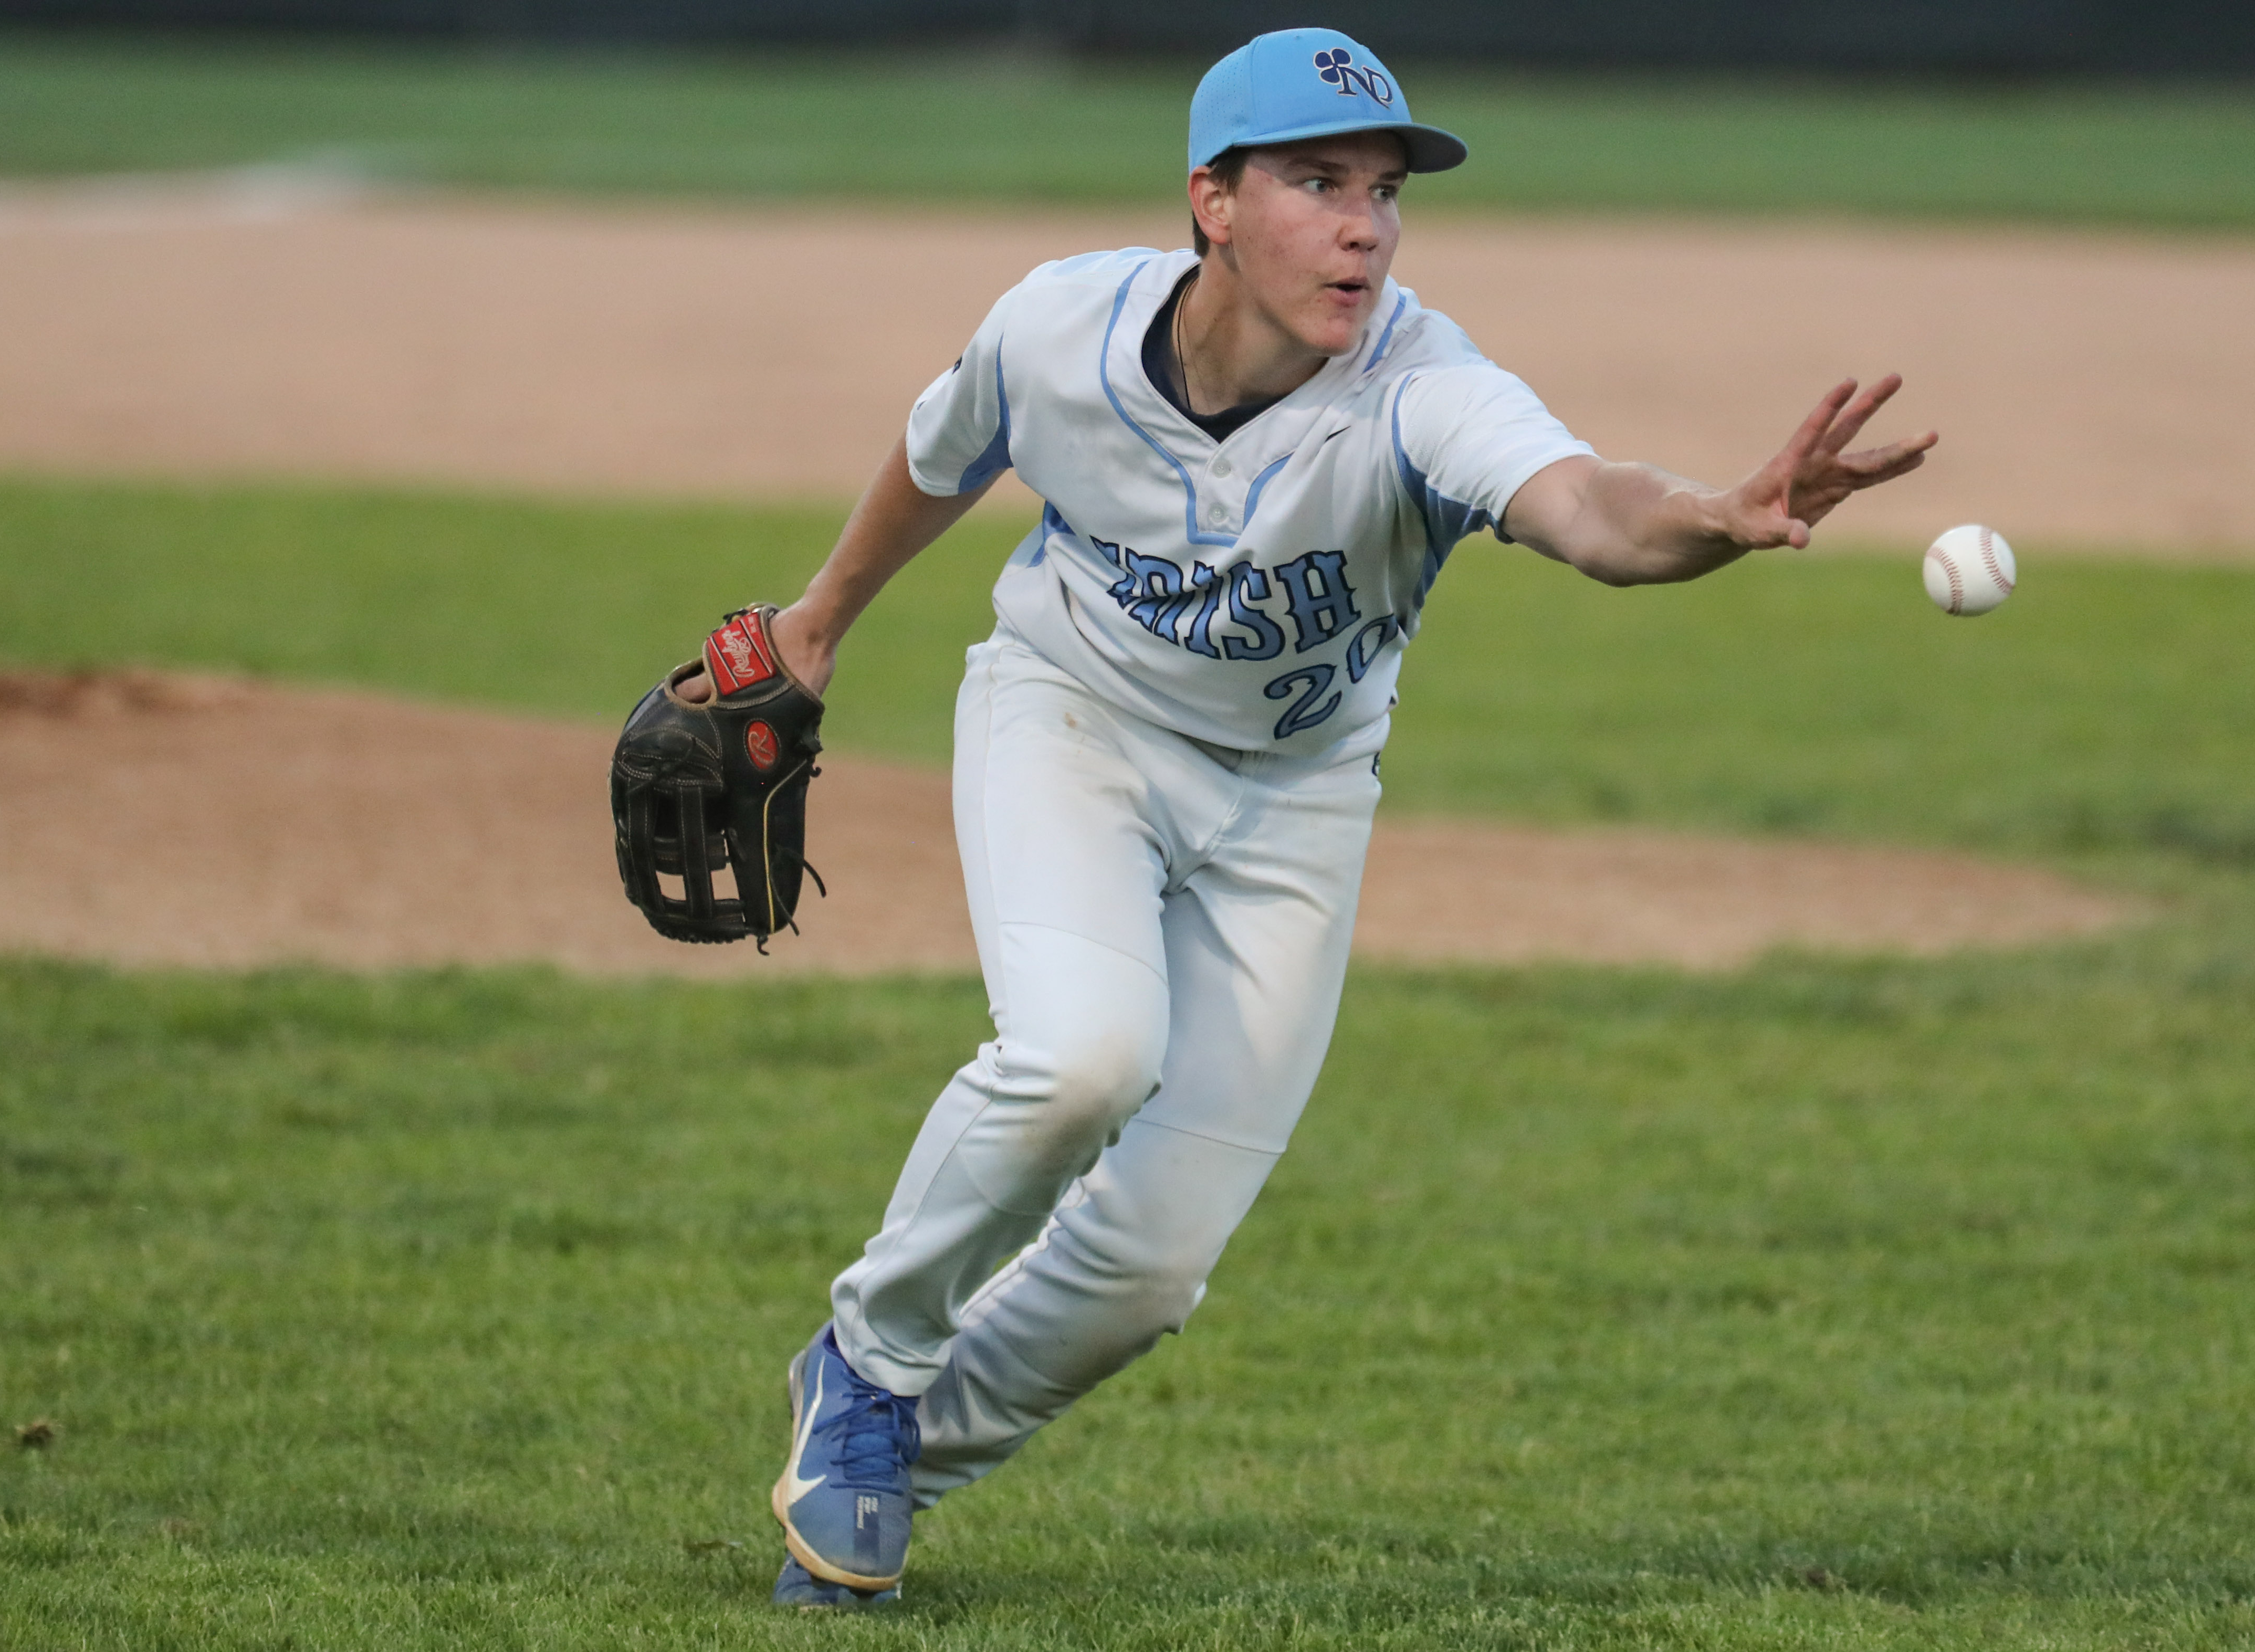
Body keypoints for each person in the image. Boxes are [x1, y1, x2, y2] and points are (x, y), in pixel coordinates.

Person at [733, 27, 1936, 1609]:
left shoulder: (1421, 385)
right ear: (1213, 203)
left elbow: (1586, 507)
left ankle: (875, 1452)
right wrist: (818, 621)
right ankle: (874, 1351)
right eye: (1318, 184)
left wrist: (1705, 518)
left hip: (1294, 801)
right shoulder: (1057, 327)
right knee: (1082, 1053)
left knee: (1151, 1270)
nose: (1365, 224)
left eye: (1382, 189)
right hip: (1070, 723)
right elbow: (945, 451)